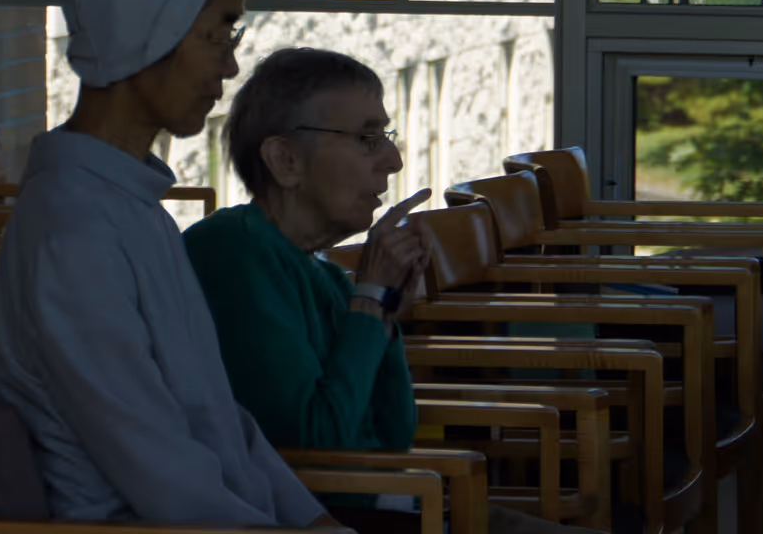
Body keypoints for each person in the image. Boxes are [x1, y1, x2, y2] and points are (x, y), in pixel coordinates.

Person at [0, 0, 335, 528]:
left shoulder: (126, 209)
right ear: (148, 29)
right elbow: (161, 473)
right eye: (218, 34)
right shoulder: (73, 232)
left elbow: (220, 424)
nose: (231, 64)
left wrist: (314, 521)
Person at [184, 47, 569, 534]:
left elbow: (390, 438)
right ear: (286, 160)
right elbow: (322, 452)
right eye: (368, 139)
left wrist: (384, 317)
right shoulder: (231, 252)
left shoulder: (320, 273)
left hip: (400, 503)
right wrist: (367, 301)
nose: (393, 160)